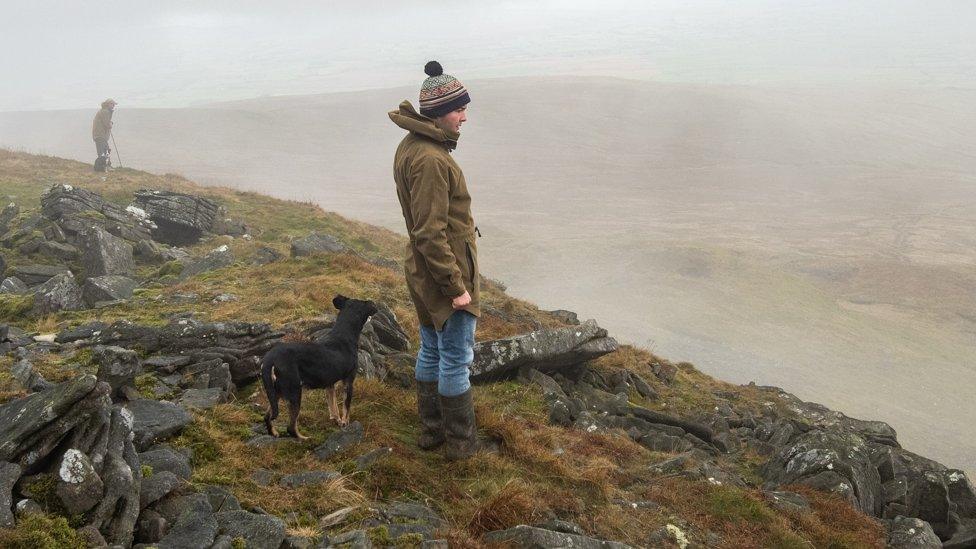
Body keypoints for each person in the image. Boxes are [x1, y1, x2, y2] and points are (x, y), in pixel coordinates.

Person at [390, 61, 487, 460]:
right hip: (443, 276)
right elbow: (430, 233)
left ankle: (432, 433)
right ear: (437, 112)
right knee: (455, 358)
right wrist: (457, 288)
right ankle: (461, 447)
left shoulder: (413, 145)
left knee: (431, 348)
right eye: (458, 109)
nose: (465, 116)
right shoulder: (431, 159)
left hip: (422, 272)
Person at [92, 99, 116, 169]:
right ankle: (101, 167)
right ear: (108, 104)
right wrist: (111, 123)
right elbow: (107, 124)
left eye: (114, 104)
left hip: (100, 135)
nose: (113, 106)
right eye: (112, 104)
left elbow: (106, 122)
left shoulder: (104, 111)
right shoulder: (105, 112)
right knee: (103, 152)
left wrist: (109, 122)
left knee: (106, 151)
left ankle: (106, 166)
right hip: (100, 135)